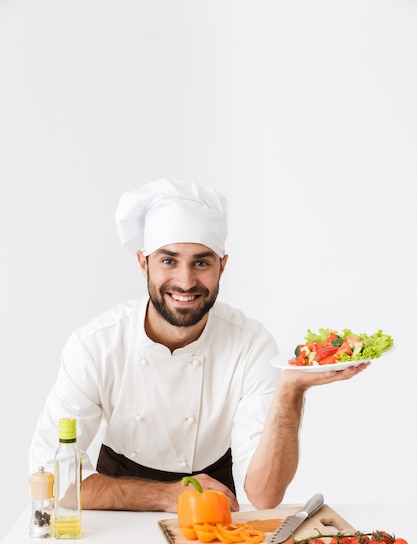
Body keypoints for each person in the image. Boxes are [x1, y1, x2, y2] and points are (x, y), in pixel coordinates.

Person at [29, 178, 369, 514]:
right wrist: (166, 495)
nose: (186, 281)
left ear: (222, 265)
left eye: (202, 262)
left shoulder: (251, 344)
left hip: (214, 497)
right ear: (142, 263)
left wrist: (291, 389)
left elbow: (265, 496)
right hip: (115, 501)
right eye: (168, 260)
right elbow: (48, 471)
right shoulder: (96, 345)